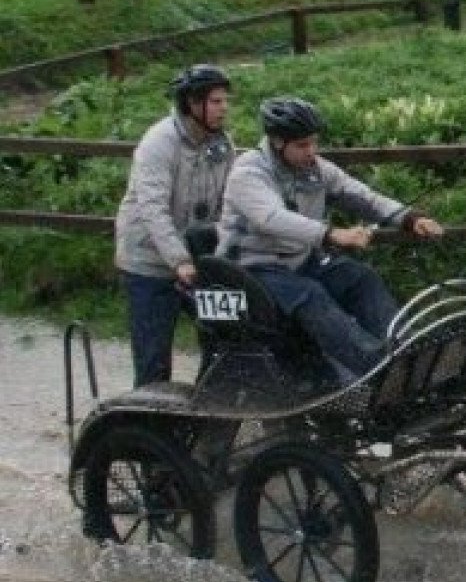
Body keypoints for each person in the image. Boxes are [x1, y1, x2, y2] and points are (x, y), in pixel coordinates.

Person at [216, 97, 444, 381]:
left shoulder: (316, 169)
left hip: (298, 262)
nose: (312, 151)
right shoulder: (248, 173)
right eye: (302, 145)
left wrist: (409, 218)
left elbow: (361, 195)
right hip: (252, 268)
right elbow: (272, 218)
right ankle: (375, 368)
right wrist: (331, 234)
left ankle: (407, 350)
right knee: (309, 293)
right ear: (277, 142)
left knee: (359, 277)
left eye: (314, 142)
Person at [114, 64, 235, 386]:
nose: (224, 108)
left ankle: (211, 400)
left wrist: (224, 252)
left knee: (226, 339)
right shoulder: (159, 142)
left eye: (225, 101)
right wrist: (179, 260)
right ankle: (148, 411)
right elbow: (152, 208)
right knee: (153, 358)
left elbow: (228, 204)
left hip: (197, 259)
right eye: (216, 101)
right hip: (150, 261)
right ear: (192, 104)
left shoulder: (222, 144)